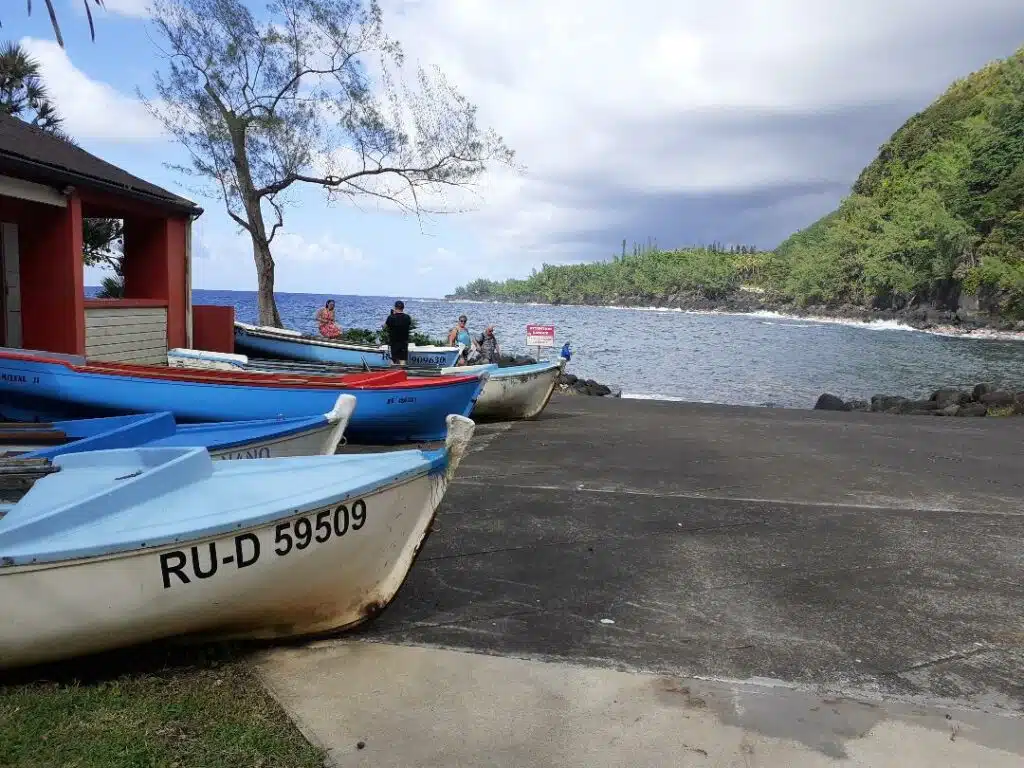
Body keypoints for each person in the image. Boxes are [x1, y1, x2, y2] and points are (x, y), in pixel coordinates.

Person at [384, 300, 412, 366]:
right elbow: (408, 324)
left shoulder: (391, 317)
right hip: (404, 342)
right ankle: (402, 371)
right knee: (402, 360)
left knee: (393, 360)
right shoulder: (407, 317)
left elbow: (384, 326)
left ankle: (394, 372)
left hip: (394, 343)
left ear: (395, 307)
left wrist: (392, 315)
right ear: (403, 308)